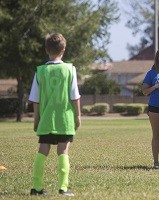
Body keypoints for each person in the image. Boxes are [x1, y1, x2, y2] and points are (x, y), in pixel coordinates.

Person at [28, 33, 81, 196]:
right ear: (63, 50)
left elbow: (35, 99)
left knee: (42, 150)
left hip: (46, 120)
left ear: (46, 50)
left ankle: (36, 188)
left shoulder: (40, 71)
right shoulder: (70, 69)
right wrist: (78, 116)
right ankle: (63, 188)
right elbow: (75, 96)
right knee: (63, 151)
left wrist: (36, 119)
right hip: (64, 120)